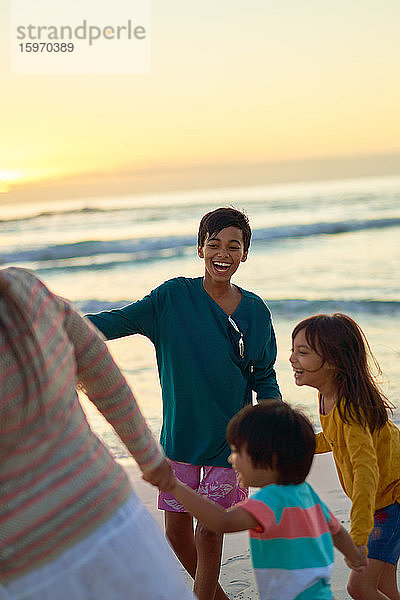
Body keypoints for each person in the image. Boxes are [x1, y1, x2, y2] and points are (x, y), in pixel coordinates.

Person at [86, 207, 281, 600]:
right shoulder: (172, 297)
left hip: (231, 444)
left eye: (233, 246)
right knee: (177, 532)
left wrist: (274, 425)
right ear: (199, 248)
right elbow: (115, 321)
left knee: (210, 531)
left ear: (245, 254)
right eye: (214, 244)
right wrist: (54, 325)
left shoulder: (256, 311)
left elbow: (264, 376)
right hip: (179, 440)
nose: (222, 253)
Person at [0, 266, 195, 600]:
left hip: (22, 564)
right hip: (113, 520)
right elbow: (98, 364)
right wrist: (150, 459)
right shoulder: (21, 288)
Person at [150, 401, 366, 600]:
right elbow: (336, 531)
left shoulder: (270, 501)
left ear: (269, 459)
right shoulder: (306, 494)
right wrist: (355, 556)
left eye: (236, 452)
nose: (230, 459)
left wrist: (174, 486)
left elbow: (222, 521)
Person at [290, 313, 400, 600]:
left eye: (302, 352)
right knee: (383, 588)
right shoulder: (330, 396)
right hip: (384, 500)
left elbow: (367, 472)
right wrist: (299, 445)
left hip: (392, 501)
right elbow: (334, 438)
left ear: (334, 362)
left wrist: (359, 537)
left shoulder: (352, 411)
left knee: (359, 587)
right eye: (293, 350)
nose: (292, 359)